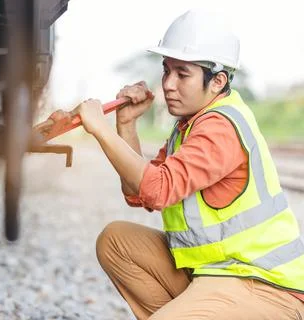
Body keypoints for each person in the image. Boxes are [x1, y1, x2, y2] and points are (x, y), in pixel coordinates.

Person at [45, 9, 304, 320]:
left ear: (217, 81)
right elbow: (137, 192)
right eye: (166, 70)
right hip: (214, 273)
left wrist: (99, 128)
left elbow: (157, 189)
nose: (168, 84)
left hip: (263, 284)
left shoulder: (220, 126)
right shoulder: (190, 124)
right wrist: (125, 124)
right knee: (116, 242)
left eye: (183, 74)